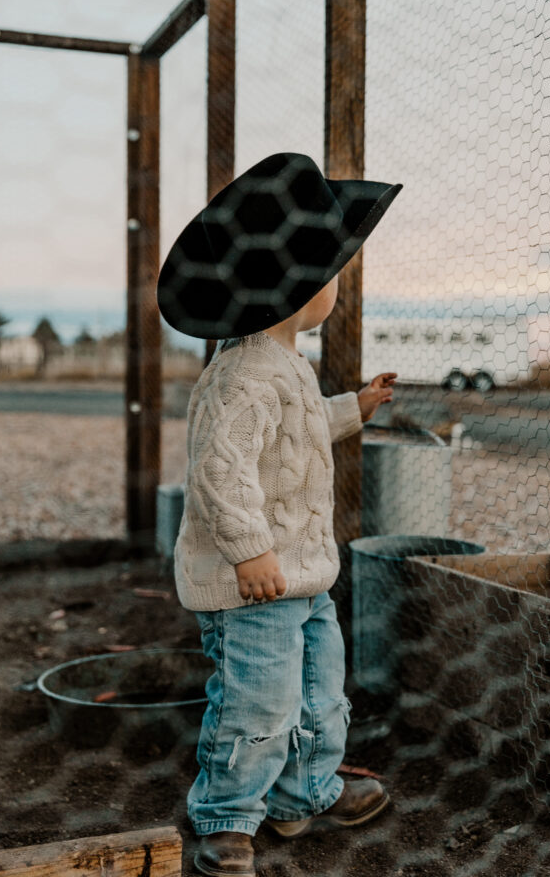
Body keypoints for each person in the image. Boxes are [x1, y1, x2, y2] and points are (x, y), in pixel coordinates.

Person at [156, 152, 402, 877]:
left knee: (322, 695)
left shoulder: (283, 366)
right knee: (258, 705)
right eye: (328, 276)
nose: (334, 287)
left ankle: (302, 797)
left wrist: (350, 410)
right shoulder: (241, 376)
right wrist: (249, 551)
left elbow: (288, 437)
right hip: (253, 582)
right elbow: (218, 472)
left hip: (301, 576)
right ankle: (228, 817)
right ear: (294, 290)